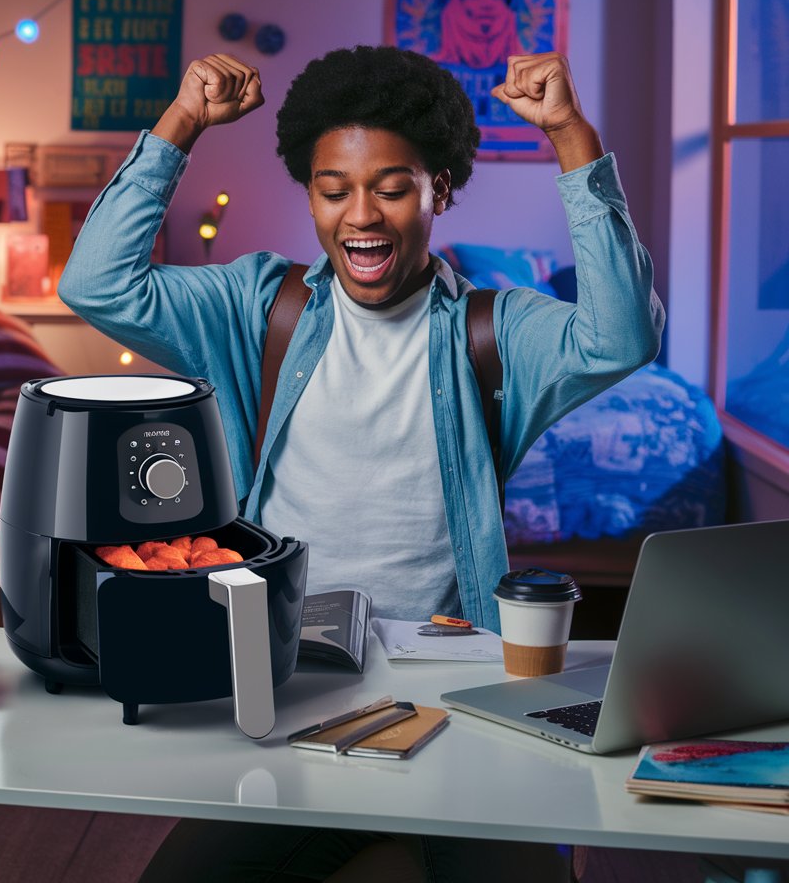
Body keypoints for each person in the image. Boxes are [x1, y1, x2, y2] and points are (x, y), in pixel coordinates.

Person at [58, 46, 664, 882]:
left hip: (460, 696)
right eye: (333, 190)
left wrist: (570, 135)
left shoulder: (495, 330)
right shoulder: (257, 307)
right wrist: (183, 122)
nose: (360, 217)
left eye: (391, 186)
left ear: (439, 190)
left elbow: (623, 336)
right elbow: (96, 285)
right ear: (309, 194)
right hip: (294, 685)